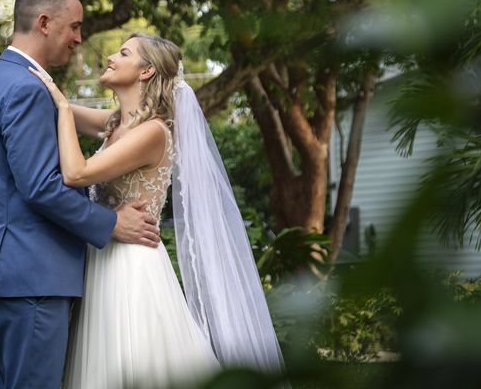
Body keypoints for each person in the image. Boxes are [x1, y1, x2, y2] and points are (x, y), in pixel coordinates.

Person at [28, 32, 287, 388]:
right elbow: (56, 108)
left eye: (123, 53)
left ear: (146, 70)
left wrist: (61, 106)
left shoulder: (153, 132)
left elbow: (76, 173)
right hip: (103, 258)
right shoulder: (115, 124)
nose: (110, 57)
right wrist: (1, 62)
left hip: (131, 268)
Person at [0, 0, 161, 389]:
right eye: (73, 26)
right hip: (32, 273)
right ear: (44, 22)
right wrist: (111, 223)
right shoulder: (25, 89)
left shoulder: (10, 78)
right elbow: (41, 186)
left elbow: (84, 120)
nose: (79, 37)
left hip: (18, 271)